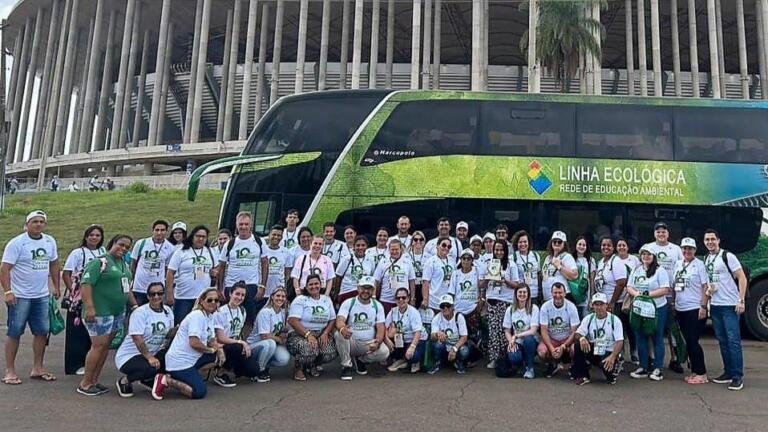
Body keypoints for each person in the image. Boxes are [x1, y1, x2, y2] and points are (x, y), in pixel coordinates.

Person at [1, 210, 61, 386]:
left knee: (42, 331)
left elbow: (54, 263)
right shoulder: (17, 243)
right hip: (20, 296)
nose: (38, 224)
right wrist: (8, 291)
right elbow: (4, 268)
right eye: (34, 221)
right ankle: (10, 370)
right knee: (15, 331)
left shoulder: (50, 241)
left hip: (41, 295)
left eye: (42, 221)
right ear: (27, 224)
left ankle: (38, 368)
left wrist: (56, 286)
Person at [77, 234, 133, 396]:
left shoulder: (123, 264)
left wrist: (134, 305)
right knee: (98, 346)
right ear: (112, 244)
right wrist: (89, 308)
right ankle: (85, 383)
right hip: (100, 312)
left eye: (126, 247)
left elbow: (126, 287)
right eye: (120, 245)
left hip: (116, 312)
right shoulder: (100, 262)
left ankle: (94, 380)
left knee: (105, 347)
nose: (123, 249)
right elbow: (86, 284)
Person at [153, 288, 223, 400]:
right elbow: (194, 343)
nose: (213, 303)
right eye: (210, 300)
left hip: (192, 359)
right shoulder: (197, 316)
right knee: (199, 392)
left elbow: (211, 338)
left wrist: (219, 349)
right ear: (201, 301)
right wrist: (211, 350)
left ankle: (190, 376)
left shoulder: (210, 316)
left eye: (216, 300)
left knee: (218, 356)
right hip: (179, 362)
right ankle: (166, 380)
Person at [702, 229, 748, 391]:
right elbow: (710, 282)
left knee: (733, 340)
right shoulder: (707, 258)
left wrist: (740, 300)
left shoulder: (727, 256)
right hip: (715, 306)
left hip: (730, 305)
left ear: (718, 240)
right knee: (722, 340)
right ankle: (728, 372)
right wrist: (707, 297)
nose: (710, 242)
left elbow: (741, 277)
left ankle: (737, 376)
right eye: (707, 240)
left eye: (713, 239)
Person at [114, 282, 174, 399]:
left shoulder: (168, 311)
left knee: (171, 357)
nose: (156, 297)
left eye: (160, 293)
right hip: (130, 356)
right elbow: (137, 339)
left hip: (152, 353)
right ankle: (125, 381)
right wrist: (149, 357)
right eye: (152, 294)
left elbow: (169, 333)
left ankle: (147, 379)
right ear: (147, 296)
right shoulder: (140, 313)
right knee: (151, 367)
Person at [62, 225, 106, 375]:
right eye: (91, 235)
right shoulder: (78, 253)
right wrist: (74, 292)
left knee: (91, 331)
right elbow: (66, 273)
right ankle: (74, 364)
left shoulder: (103, 252)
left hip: (96, 295)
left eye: (97, 235)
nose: (94, 238)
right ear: (86, 237)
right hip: (79, 298)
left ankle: (89, 361)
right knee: (76, 332)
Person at [642, 222, 684, 374]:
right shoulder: (649, 247)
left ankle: (675, 359)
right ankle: (652, 358)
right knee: (653, 329)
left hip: (670, 295)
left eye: (663, 231)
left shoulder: (675, 249)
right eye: (658, 231)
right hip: (652, 297)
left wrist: (677, 295)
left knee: (672, 329)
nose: (661, 234)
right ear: (654, 234)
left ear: (668, 234)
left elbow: (681, 271)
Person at [217, 211, 269, 327]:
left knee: (249, 319)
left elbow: (265, 263)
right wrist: (220, 288)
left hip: (251, 285)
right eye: (241, 224)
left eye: (246, 224)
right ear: (236, 225)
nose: (243, 227)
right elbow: (222, 266)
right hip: (231, 285)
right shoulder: (230, 243)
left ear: (251, 225)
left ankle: (244, 342)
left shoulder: (259, 242)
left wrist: (262, 286)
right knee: (228, 317)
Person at [627, 246, 670, 381]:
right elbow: (629, 287)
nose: (646, 256)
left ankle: (658, 368)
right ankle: (643, 366)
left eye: (649, 254)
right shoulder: (636, 269)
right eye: (643, 254)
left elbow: (664, 290)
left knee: (657, 337)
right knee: (640, 336)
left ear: (654, 256)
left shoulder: (660, 270)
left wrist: (647, 295)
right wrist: (637, 295)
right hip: (639, 309)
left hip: (657, 308)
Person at [334, 276, 389, 380]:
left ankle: (361, 360)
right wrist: (342, 328)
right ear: (358, 288)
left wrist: (377, 342)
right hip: (352, 342)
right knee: (339, 334)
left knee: (384, 352)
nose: (366, 291)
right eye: (363, 288)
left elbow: (381, 327)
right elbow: (340, 319)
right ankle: (346, 365)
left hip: (368, 343)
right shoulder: (349, 303)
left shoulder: (378, 306)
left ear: (373, 290)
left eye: (369, 288)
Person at [286, 274, 337, 381]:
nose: (314, 286)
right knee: (309, 349)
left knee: (330, 353)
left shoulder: (326, 299)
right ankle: (298, 367)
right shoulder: (300, 299)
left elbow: (332, 319)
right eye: (311, 284)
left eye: (316, 284)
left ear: (321, 284)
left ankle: (311, 364)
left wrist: (325, 333)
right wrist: (308, 335)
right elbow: (293, 320)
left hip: (321, 333)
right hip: (300, 334)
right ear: (306, 286)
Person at [673, 237, 710, 385]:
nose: (687, 251)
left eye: (690, 249)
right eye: (684, 248)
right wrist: (673, 304)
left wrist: (703, 306)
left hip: (695, 308)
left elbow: (705, 287)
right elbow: (675, 285)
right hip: (680, 308)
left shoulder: (700, 265)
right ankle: (694, 371)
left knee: (693, 341)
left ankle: (701, 373)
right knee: (688, 341)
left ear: (695, 250)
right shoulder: (677, 264)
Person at [571, 292, 624, 385]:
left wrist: (612, 356)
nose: (599, 307)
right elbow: (577, 333)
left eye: (601, 304)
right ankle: (584, 376)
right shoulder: (589, 318)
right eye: (596, 304)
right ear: (592, 306)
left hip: (608, 351)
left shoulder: (614, 320)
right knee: (578, 345)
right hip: (595, 349)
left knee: (609, 377)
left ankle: (614, 367)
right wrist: (582, 338)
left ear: (606, 305)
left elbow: (620, 341)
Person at [166, 226, 217, 325]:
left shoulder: (210, 252)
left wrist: (214, 272)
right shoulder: (181, 252)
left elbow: (217, 268)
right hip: (183, 297)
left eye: (204, 237)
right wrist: (169, 293)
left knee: (200, 325)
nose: (201, 239)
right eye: (198, 236)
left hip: (203, 298)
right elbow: (170, 272)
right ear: (192, 236)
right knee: (180, 325)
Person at [212, 282, 259, 386]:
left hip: (235, 344)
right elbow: (220, 338)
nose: (240, 297)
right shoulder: (220, 312)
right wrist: (241, 342)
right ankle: (220, 372)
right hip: (221, 346)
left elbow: (239, 333)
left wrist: (243, 344)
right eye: (237, 294)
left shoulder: (242, 311)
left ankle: (235, 370)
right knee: (236, 347)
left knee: (254, 370)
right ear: (230, 294)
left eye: (242, 295)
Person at [484, 240, 520, 369]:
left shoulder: (511, 265)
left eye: (501, 250)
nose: (499, 252)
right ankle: (494, 358)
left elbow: (517, 285)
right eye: (496, 250)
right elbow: (481, 285)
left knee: (505, 331)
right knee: (494, 331)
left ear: (505, 251)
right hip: (492, 300)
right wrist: (488, 277)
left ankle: (506, 358)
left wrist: (505, 280)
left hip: (506, 301)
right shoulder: (488, 263)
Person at [248, 287, 292, 382]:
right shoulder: (265, 312)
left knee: (283, 358)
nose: (280, 298)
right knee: (270, 343)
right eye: (278, 296)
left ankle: (264, 365)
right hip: (255, 345)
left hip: (269, 345)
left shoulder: (283, 313)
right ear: (272, 297)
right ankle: (258, 370)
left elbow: (283, 329)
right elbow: (264, 336)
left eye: (283, 296)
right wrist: (280, 340)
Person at [538, 282, 580, 378]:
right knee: (542, 352)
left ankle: (572, 366)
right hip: (552, 338)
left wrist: (563, 346)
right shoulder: (545, 307)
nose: (558, 295)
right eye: (555, 293)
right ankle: (553, 364)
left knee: (575, 349)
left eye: (560, 293)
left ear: (565, 293)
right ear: (551, 293)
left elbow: (574, 332)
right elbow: (543, 331)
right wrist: (551, 348)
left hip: (567, 338)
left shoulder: (571, 307)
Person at [129, 220, 175, 308]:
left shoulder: (170, 248)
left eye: (162, 230)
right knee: (136, 312)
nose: (159, 232)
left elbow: (167, 269)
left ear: (166, 232)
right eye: (157, 230)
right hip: (139, 287)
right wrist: (133, 279)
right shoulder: (141, 243)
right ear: (152, 231)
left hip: (157, 289)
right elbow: (133, 263)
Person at [450, 249, 485, 356]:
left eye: (468, 258)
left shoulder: (477, 271)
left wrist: (481, 301)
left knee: (473, 338)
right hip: (458, 311)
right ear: (460, 260)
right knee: (459, 336)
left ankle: (472, 359)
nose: (466, 261)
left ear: (472, 260)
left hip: (473, 309)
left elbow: (482, 287)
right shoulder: (455, 274)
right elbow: (451, 292)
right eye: (463, 258)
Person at [385, 287, 426, 373]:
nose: (401, 300)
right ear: (395, 300)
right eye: (398, 298)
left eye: (403, 297)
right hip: (401, 340)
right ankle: (403, 360)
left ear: (408, 298)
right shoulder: (393, 311)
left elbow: (417, 333)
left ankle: (410, 361)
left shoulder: (414, 312)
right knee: (387, 340)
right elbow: (384, 328)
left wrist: (412, 347)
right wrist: (388, 339)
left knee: (413, 356)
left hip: (416, 340)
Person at [503, 285, 540, 379]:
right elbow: (507, 330)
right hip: (517, 341)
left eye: (524, 292)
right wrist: (511, 341)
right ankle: (521, 365)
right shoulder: (510, 309)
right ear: (516, 294)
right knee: (514, 357)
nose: (522, 294)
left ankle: (530, 368)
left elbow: (533, 331)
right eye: (520, 292)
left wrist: (516, 335)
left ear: (528, 294)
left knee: (528, 340)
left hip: (531, 341)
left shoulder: (534, 308)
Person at [428, 294, 470, 375]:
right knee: (437, 345)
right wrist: (437, 334)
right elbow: (432, 336)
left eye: (448, 305)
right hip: (443, 346)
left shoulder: (459, 317)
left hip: (456, 346)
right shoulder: (436, 318)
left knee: (464, 351)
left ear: (452, 307)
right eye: (442, 306)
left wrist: (454, 348)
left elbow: (464, 337)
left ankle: (458, 362)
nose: (445, 308)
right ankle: (438, 361)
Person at [373, 240, 416, 314]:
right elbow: (376, 280)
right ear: (388, 249)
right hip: (386, 299)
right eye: (392, 249)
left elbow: (411, 281)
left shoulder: (407, 262)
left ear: (401, 249)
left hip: (403, 300)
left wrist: (412, 298)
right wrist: (373, 296)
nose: (394, 252)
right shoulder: (383, 261)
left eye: (396, 249)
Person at [616, 237, 641, 363]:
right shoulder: (614, 260)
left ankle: (634, 352)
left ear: (628, 247)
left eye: (623, 245)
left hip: (631, 299)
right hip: (618, 299)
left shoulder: (634, 260)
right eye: (619, 245)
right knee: (620, 328)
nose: (621, 247)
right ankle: (620, 353)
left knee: (632, 327)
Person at [335, 235, 374, 305]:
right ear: (353, 246)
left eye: (363, 245)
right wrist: (337, 294)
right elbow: (338, 277)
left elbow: (371, 277)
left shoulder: (370, 259)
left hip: (364, 293)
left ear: (367, 246)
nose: (360, 248)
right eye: (358, 245)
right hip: (347, 292)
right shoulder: (347, 258)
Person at [541, 231, 578, 303]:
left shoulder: (567, 257)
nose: (557, 243)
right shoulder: (548, 258)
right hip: (547, 297)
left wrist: (559, 266)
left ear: (564, 244)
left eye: (559, 242)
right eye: (554, 241)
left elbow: (574, 275)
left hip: (561, 298)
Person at [422, 237, 455, 311]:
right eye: (443, 245)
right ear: (437, 246)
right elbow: (425, 282)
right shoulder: (431, 262)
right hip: (434, 301)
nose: (446, 248)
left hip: (448, 301)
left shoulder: (452, 261)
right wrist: (425, 299)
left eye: (449, 246)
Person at [512, 230, 543, 305]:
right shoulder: (513, 257)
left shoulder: (535, 256)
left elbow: (539, 274)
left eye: (525, 242)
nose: (523, 244)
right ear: (516, 243)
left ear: (529, 243)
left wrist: (540, 291)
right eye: (520, 242)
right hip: (520, 295)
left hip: (534, 294)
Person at [263, 225, 292, 300]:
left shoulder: (286, 252)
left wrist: (285, 290)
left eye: (279, 235)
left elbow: (287, 273)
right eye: (274, 234)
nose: (276, 237)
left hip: (278, 293)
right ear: (269, 235)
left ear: (282, 237)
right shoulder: (262, 250)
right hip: (263, 293)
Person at [572, 236, 596, 318]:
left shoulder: (590, 260)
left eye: (584, 245)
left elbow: (592, 280)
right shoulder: (570, 259)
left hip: (586, 296)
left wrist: (592, 299)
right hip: (573, 295)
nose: (581, 247)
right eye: (579, 244)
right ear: (575, 245)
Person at [407, 230, 427, 307]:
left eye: (421, 239)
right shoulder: (406, 256)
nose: (418, 241)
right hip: (410, 286)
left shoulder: (429, 257)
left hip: (423, 287)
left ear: (424, 242)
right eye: (415, 239)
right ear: (412, 242)